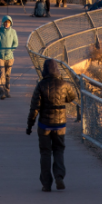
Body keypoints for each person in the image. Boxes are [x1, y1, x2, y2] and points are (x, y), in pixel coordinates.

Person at [26, 59, 78, 191]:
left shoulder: (41, 85)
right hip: (60, 125)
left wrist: (30, 125)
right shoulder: (64, 84)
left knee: (45, 153)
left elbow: (34, 108)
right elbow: (72, 97)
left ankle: (46, 184)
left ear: (44, 70)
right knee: (59, 150)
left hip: (44, 125)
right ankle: (59, 176)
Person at [0, 15, 18, 99]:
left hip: (10, 57)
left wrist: (11, 50)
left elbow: (16, 43)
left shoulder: (13, 32)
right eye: (5, 22)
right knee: (2, 74)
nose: (6, 24)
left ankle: (7, 90)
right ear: (2, 22)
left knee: (7, 74)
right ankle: (2, 92)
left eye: (8, 22)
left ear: (11, 23)